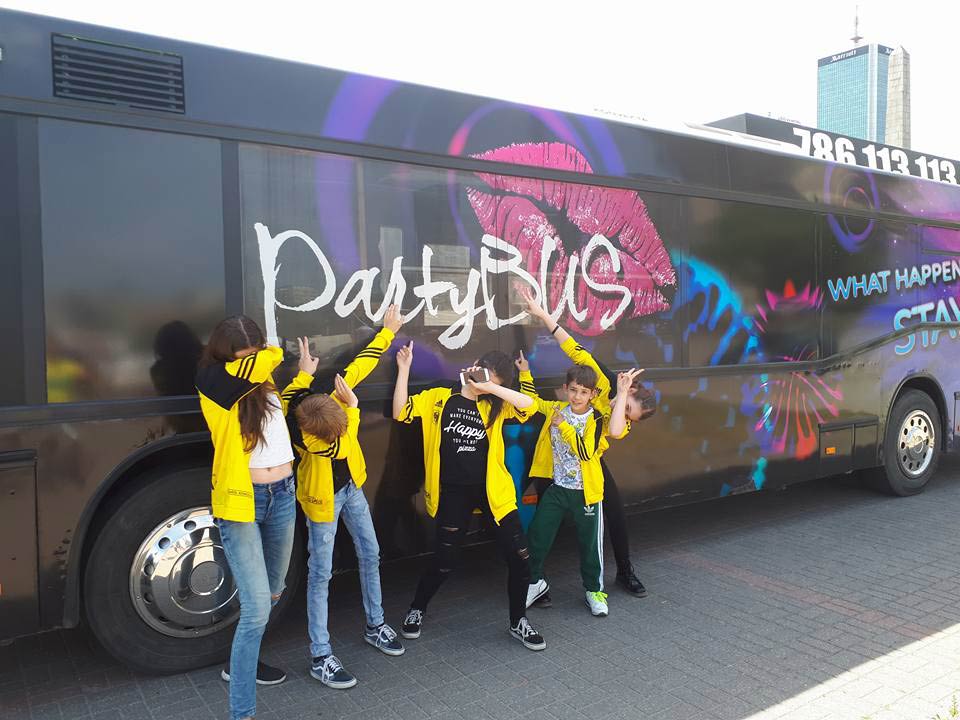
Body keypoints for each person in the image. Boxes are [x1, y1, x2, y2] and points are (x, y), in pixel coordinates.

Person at [280, 306, 405, 690]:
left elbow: (360, 365)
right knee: (321, 573)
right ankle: (320, 655)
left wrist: (387, 332)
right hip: (323, 501)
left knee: (371, 552)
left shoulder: (297, 400)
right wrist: (351, 408)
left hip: (350, 489)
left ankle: (375, 624)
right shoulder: (321, 441)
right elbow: (346, 435)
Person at [392, 343, 547, 651]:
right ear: (475, 364)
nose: (483, 386)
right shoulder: (440, 397)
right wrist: (404, 370)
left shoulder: (496, 404)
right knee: (444, 560)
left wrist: (490, 388)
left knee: (520, 559)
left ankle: (518, 621)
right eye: (483, 377)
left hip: (494, 492)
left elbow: (529, 405)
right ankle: (417, 608)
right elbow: (400, 413)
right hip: (453, 492)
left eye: (492, 383)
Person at [518, 286, 657, 600]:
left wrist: (621, 403)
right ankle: (535, 581)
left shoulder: (620, 418)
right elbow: (574, 349)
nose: (625, 414)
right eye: (627, 407)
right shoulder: (603, 383)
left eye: (630, 416)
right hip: (554, 452)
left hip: (586, 456)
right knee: (544, 521)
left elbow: (614, 433)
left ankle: (624, 571)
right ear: (631, 389)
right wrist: (541, 314)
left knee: (614, 511)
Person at [195, 315, 296, 720]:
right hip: (242, 501)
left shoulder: (260, 379)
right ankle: (242, 712)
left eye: (255, 353)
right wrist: (266, 353)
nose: (253, 362)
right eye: (244, 357)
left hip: (282, 494)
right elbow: (274, 355)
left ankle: (241, 661)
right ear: (226, 355)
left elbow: (269, 363)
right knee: (256, 610)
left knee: (273, 591)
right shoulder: (212, 383)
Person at [518, 350, 639, 616]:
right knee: (537, 536)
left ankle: (594, 591)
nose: (577, 396)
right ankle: (535, 582)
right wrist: (525, 373)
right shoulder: (556, 409)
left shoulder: (596, 418)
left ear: (593, 394)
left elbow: (585, 452)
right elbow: (531, 402)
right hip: (557, 489)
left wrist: (563, 426)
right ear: (565, 389)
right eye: (573, 390)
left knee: (590, 546)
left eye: (584, 392)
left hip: (586, 493)